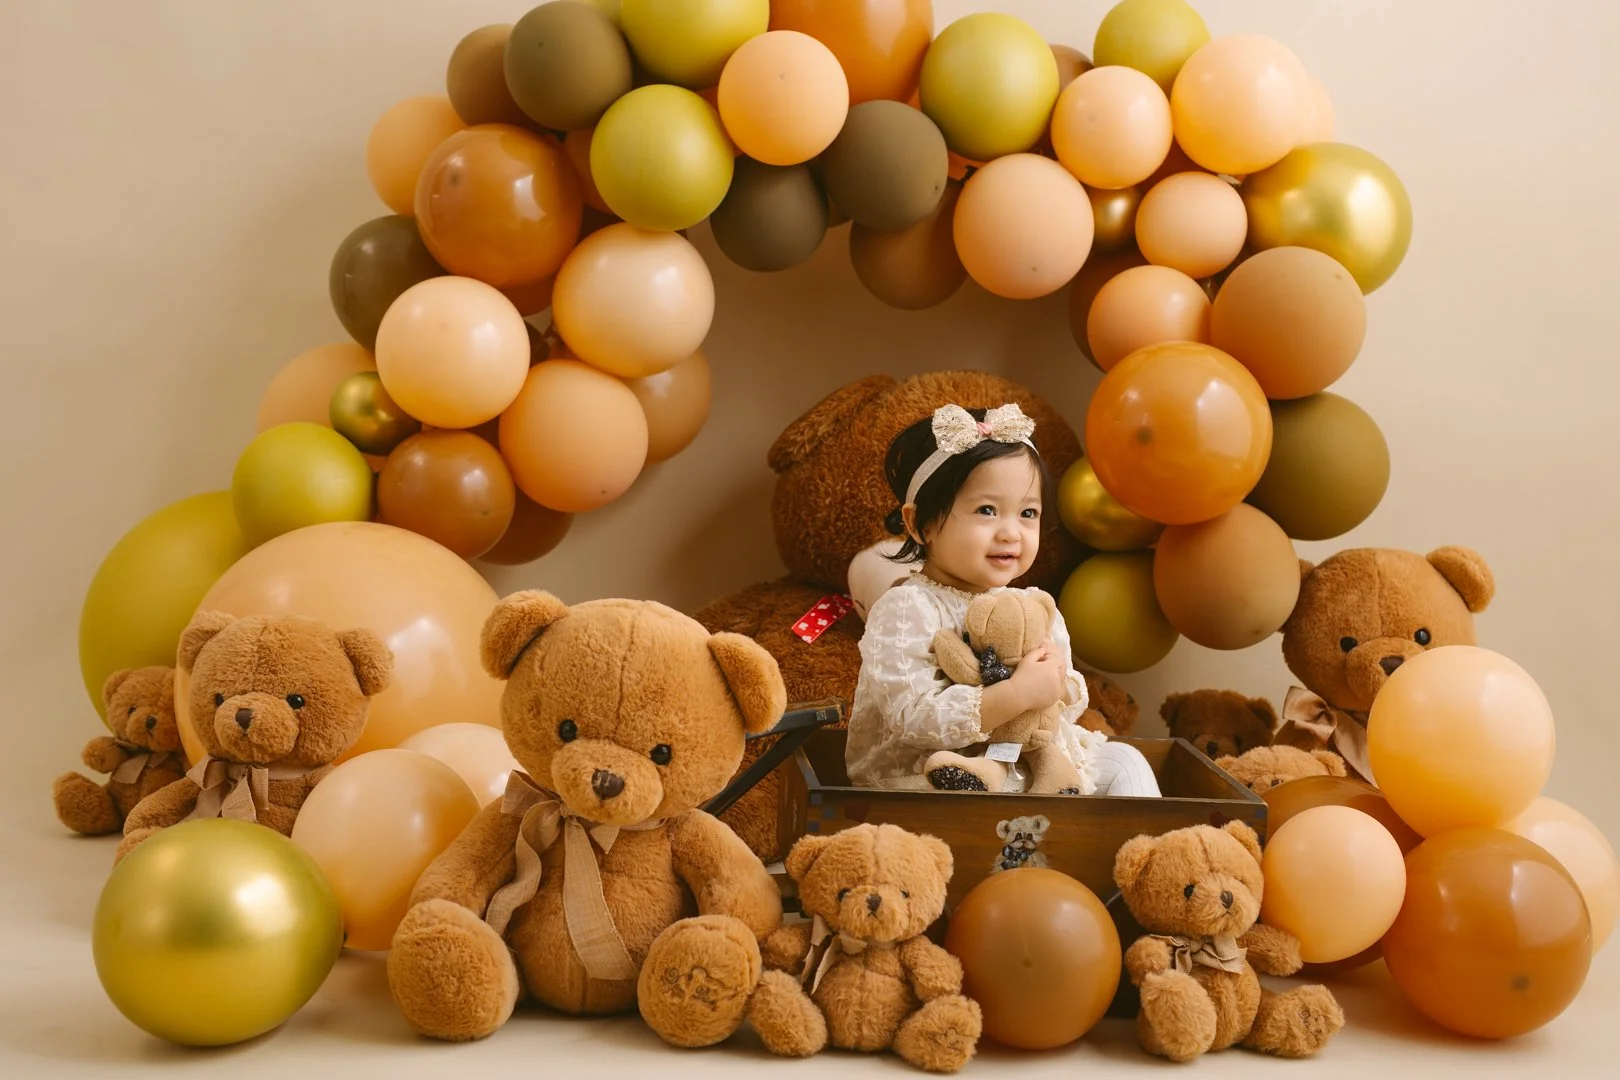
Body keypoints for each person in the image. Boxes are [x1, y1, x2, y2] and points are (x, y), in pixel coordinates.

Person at [844, 402, 1161, 797]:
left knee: (1125, 761)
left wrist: (1056, 683)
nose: (1011, 532)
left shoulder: (1034, 604)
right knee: (955, 794)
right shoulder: (908, 609)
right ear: (919, 524)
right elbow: (912, 716)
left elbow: (1072, 693)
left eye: (1028, 512)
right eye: (987, 510)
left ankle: (1146, 851)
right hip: (924, 777)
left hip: (1021, 763)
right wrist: (1015, 694)